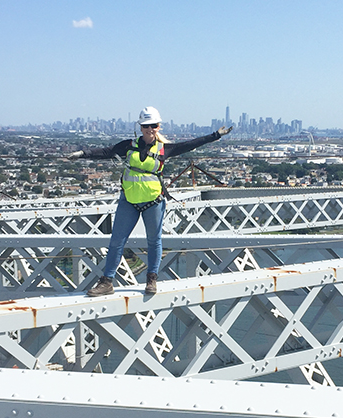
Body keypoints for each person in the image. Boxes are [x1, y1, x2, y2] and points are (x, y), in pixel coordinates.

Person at [67, 106, 232, 296]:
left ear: (158, 126)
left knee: (154, 241)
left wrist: (215, 135)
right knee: (116, 242)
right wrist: (82, 154)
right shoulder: (129, 145)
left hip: (153, 202)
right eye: (146, 125)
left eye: (153, 125)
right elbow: (106, 152)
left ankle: (151, 280)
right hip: (129, 200)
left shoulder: (164, 149)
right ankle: (106, 282)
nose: (149, 129)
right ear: (141, 126)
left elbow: (190, 144)